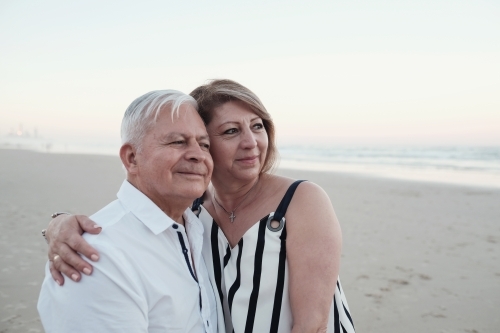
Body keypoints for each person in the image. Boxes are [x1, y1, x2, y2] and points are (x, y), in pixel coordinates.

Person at [44, 80, 355, 333]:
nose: (251, 142)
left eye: (257, 126)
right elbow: (127, 223)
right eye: (231, 131)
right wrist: (60, 223)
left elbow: (313, 326)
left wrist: (60, 223)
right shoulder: (193, 215)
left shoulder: (300, 200)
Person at [38, 90, 218, 333]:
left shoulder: (199, 226)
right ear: (132, 158)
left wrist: (58, 220)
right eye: (177, 141)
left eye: (204, 144)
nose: (198, 154)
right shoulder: (96, 255)